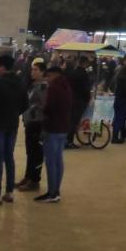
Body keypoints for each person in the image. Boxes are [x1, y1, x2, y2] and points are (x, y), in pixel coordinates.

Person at [0, 54, 27, 205]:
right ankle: (9, 192)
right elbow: (25, 105)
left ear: (2, 67)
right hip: (12, 125)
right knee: (9, 157)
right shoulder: (20, 83)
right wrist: (15, 113)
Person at [37, 65, 72, 202]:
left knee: (50, 161)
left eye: (49, 76)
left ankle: (52, 192)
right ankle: (56, 190)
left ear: (54, 75)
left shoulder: (54, 88)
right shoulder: (67, 87)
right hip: (63, 128)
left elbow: (49, 108)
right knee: (58, 160)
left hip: (52, 128)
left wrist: (42, 110)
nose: (48, 79)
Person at [17, 60, 48, 192]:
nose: (33, 72)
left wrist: (32, 110)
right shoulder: (34, 85)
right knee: (30, 152)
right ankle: (28, 176)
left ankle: (35, 180)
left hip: (37, 122)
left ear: (42, 72)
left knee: (36, 153)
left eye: (36, 70)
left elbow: (43, 105)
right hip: (30, 122)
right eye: (32, 70)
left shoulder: (43, 87)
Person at [65, 58, 92, 149]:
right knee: (74, 121)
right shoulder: (83, 74)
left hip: (71, 99)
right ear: (85, 63)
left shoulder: (73, 73)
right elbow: (86, 88)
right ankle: (69, 141)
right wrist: (88, 97)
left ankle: (67, 140)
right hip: (80, 100)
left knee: (71, 120)